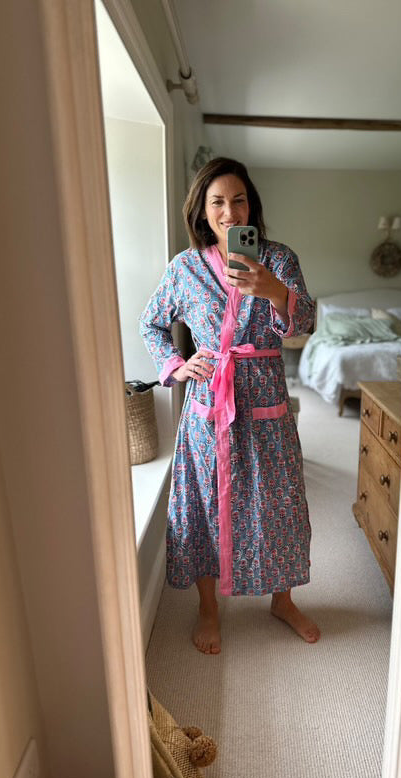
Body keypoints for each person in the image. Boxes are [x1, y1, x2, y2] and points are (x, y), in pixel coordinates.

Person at [139, 157, 320, 654]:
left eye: (238, 200)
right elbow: (151, 323)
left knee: (279, 502)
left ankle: (283, 600)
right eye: (217, 201)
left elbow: (305, 321)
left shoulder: (278, 259)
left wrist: (274, 291)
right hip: (208, 406)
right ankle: (208, 608)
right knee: (203, 504)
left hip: (266, 401)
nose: (229, 211)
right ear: (202, 210)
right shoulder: (185, 268)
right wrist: (177, 366)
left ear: (251, 205)